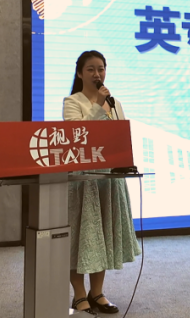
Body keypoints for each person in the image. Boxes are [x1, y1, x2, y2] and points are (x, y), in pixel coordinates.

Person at [63, 50, 141, 314]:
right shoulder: (72, 101)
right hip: (83, 178)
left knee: (102, 234)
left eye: (101, 69)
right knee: (81, 236)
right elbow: (78, 134)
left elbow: (119, 135)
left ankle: (97, 292)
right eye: (91, 69)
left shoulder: (114, 102)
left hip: (108, 177)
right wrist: (98, 105)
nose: (97, 74)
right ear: (79, 73)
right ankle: (79, 295)